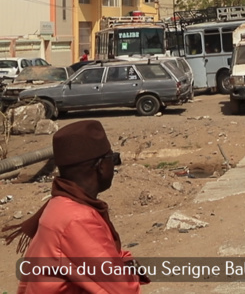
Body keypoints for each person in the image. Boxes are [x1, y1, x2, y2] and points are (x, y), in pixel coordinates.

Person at [3, 120, 146, 292]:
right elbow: (123, 287)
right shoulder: (77, 219)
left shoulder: (59, 205)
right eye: (112, 158)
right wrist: (129, 267)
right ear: (101, 166)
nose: (113, 165)